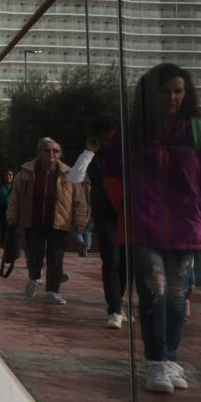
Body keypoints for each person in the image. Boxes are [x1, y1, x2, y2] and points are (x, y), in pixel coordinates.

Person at [104, 62, 201, 398]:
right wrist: (127, 208)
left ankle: (171, 359)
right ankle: (156, 360)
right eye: (164, 91)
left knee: (176, 298)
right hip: (143, 226)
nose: (172, 97)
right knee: (154, 292)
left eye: (178, 91)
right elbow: (111, 175)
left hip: (187, 227)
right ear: (150, 94)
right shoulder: (131, 132)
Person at [7, 138, 90, 305]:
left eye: (55, 151)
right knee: (35, 254)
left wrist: (80, 221)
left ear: (60, 154)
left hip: (59, 222)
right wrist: (12, 215)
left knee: (56, 256)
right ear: (39, 152)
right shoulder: (26, 172)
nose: (51, 153)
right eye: (46, 150)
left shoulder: (69, 174)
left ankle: (53, 291)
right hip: (33, 220)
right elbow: (15, 196)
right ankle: (34, 277)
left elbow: (79, 200)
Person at [84, 116, 127, 329]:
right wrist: (88, 152)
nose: (110, 142)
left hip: (127, 213)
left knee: (126, 262)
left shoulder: (126, 154)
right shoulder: (94, 157)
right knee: (111, 260)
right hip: (104, 214)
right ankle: (115, 309)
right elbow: (75, 177)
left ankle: (119, 302)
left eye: (113, 137)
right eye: (106, 139)